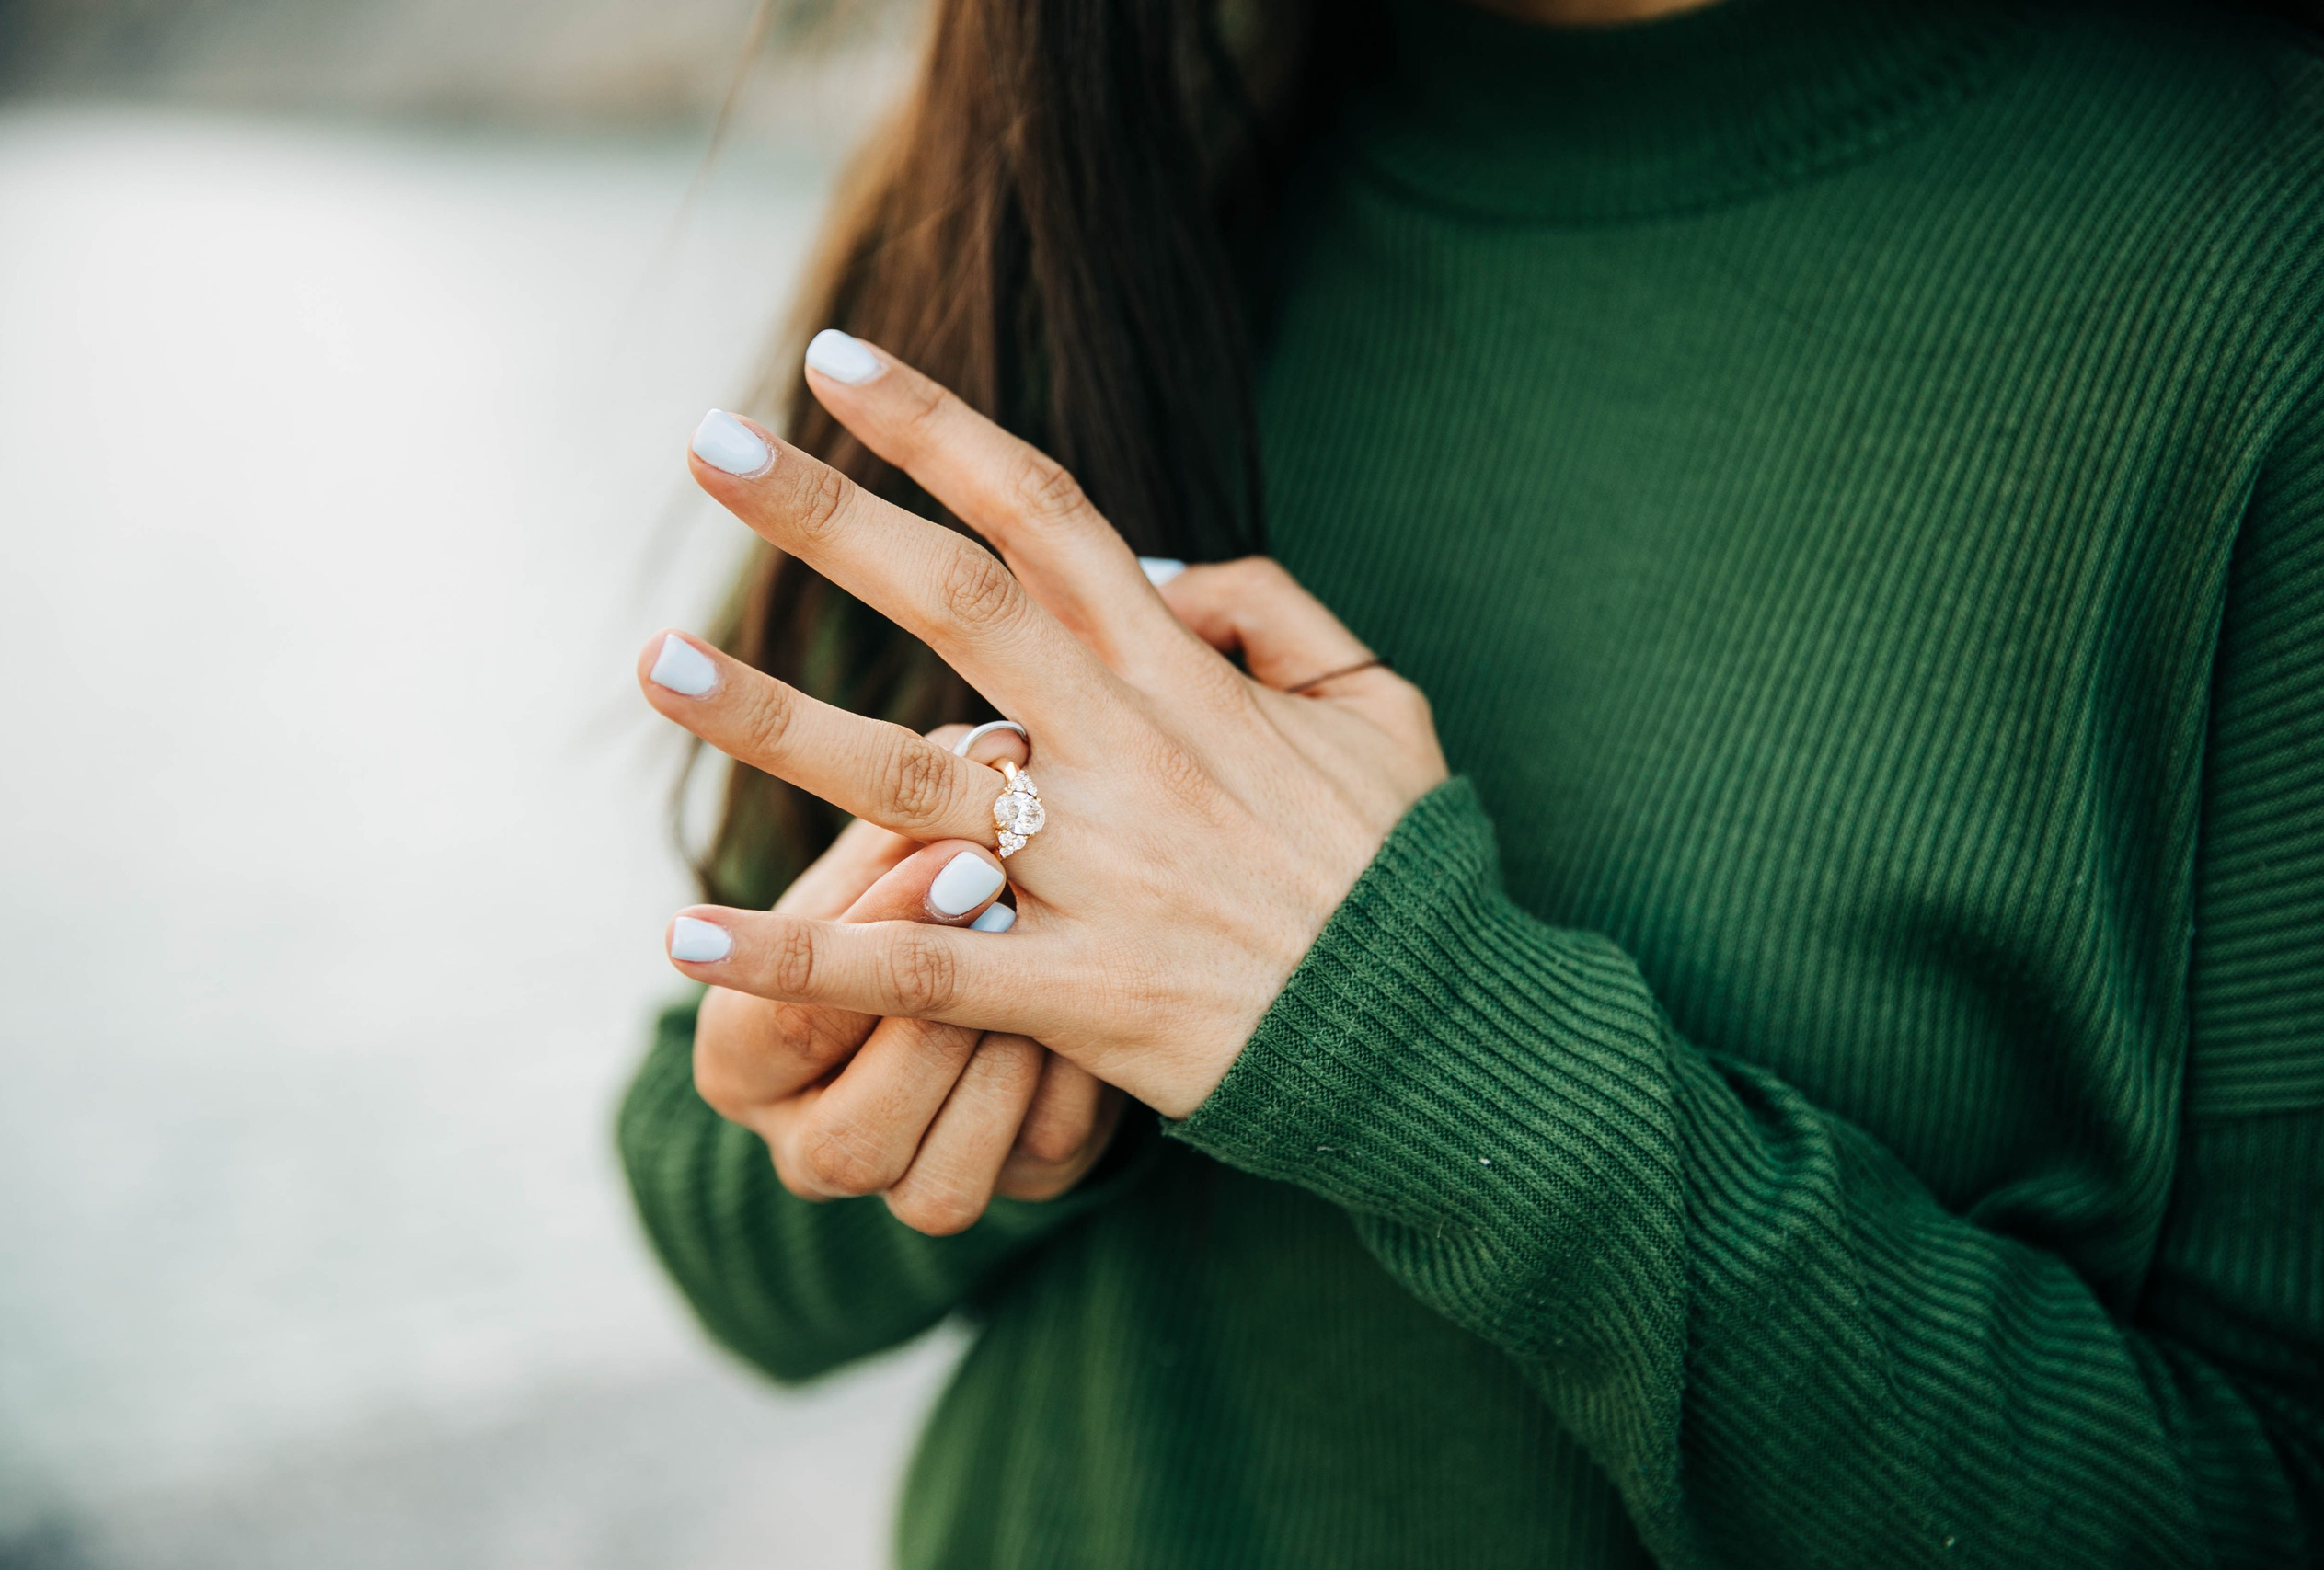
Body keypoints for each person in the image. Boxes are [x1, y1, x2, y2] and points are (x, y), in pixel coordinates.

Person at [616, 0, 2324, 1563]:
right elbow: (715, 1218)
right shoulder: (1115, 145)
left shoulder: (2254, 274)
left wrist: (1404, 1035)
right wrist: (907, 1058)